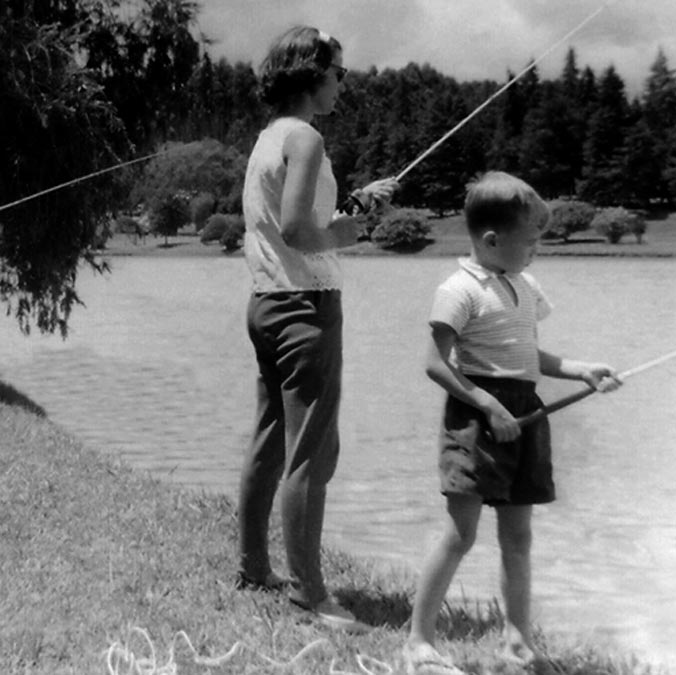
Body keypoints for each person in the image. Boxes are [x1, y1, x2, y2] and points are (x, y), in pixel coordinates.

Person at [403, 172, 621, 674]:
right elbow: (435, 364)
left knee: (518, 538)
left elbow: (527, 354)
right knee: (461, 534)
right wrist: (488, 406)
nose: (537, 250)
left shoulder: (524, 285)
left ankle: (517, 643)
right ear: (492, 240)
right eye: (531, 240)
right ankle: (418, 641)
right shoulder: (458, 289)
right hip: (476, 418)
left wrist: (579, 368)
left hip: (524, 411)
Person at [236, 25, 398, 632]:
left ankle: (255, 568)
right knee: (312, 453)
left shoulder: (270, 138)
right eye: (339, 71)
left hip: (268, 302)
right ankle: (311, 593)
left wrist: (354, 204)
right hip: (306, 307)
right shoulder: (305, 136)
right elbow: (302, 231)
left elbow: (289, 218)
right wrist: (348, 234)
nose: (343, 82)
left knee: (271, 438)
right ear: (312, 75)